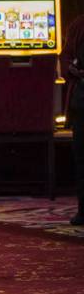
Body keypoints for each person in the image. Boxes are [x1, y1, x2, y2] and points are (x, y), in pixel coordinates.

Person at [60, 12, 84, 226]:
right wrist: (73, 70)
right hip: (82, 101)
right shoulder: (79, 24)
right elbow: (65, 58)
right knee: (81, 158)